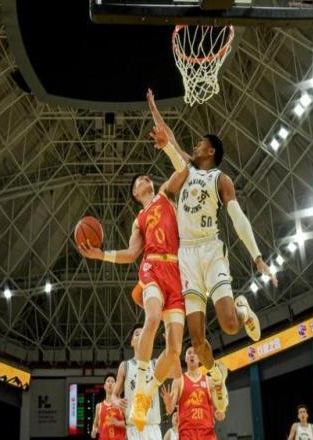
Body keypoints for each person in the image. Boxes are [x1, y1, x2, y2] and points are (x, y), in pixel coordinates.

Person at [147, 89, 277, 410]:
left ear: (211, 150)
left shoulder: (221, 180)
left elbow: (238, 218)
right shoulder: (186, 169)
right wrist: (153, 108)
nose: (194, 146)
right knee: (197, 340)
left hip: (210, 250)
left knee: (231, 325)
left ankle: (243, 310)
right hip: (187, 256)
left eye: (200, 143)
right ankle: (215, 373)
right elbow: (170, 140)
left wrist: (257, 257)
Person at [78, 147, 188, 431]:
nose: (144, 179)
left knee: (174, 351)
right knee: (152, 318)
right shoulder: (139, 221)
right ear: (135, 193)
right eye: (138, 181)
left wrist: (169, 145)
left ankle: (148, 389)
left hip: (176, 271)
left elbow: (184, 170)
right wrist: (101, 255)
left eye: (145, 177)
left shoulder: (165, 194)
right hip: (152, 268)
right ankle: (140, 387)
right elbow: (130, 254)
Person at [160, 346, 226, 440]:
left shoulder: (209, 381)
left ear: (199, 358)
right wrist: (167, 403)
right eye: (189, 353)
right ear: (185, 359)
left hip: (207, 431)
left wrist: (221, 413)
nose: (192, 355)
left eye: (195, 353)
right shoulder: (178, 381)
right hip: (187, 432)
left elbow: (219, 411)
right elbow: (170, 410)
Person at [110, 326, 163, 440]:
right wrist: (117, 401)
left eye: (144, 333)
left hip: (152, 426)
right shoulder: (125, 366)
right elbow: (113, 396)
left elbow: (174, 370)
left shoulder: (155, 364)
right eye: (137, 334)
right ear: (132, 342)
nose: (140, 335)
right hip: (133, 428)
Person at [91, 373, 126, 440]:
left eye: (112, 381)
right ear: (104, 386)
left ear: (116, 386)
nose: (110, 383)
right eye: (108, 381)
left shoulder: (121, 404)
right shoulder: (99, 406)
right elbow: (95, 424)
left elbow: (130, 424)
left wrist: (117, 423)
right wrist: (94, 430)